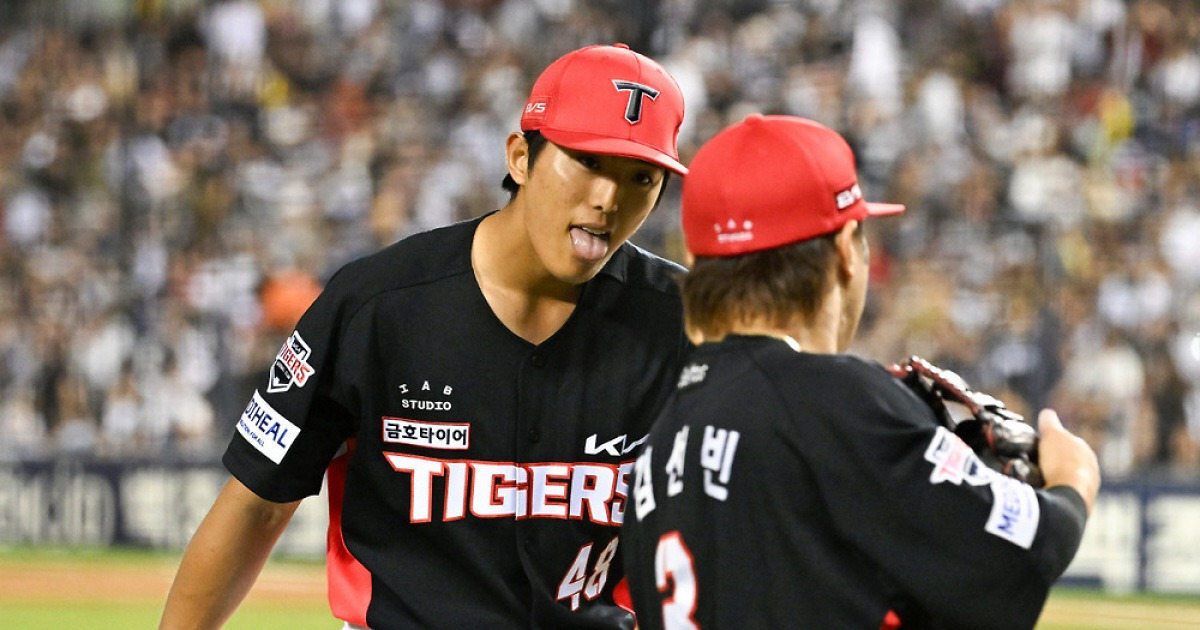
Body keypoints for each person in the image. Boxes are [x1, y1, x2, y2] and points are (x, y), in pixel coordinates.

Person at [160, 43, 691, 630]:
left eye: (641, 177)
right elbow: (258, 503)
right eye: (587, 161)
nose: (609, 198)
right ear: (521, 157)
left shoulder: (686, 325)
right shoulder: (378, 305)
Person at [620, 114, 1101, 630]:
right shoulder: (830, 400)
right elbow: (1026, 551)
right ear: (845, 250)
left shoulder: (659, 441)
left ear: (699, 262)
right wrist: (1073, 481)